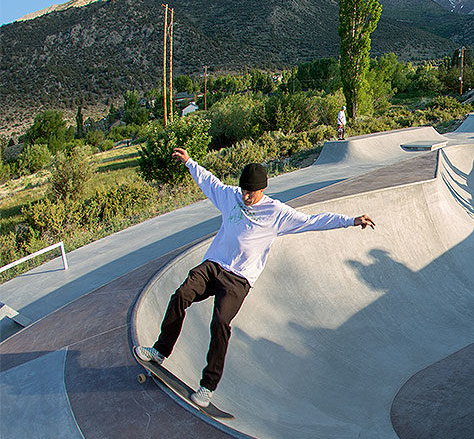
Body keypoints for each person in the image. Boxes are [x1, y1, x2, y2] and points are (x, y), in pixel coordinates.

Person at [135, 148, 376, 408]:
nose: (246, 196)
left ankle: (208, 386)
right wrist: (189, 162)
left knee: (220, 323)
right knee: (181, 294)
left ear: (262, 189)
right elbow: (210, 182)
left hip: (239, 279)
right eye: (244, 191)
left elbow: (312, 221)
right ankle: (160, 350)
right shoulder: (231, 196)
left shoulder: (277, 213)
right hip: (214, 265)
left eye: (251, 192)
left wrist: (349, 221)